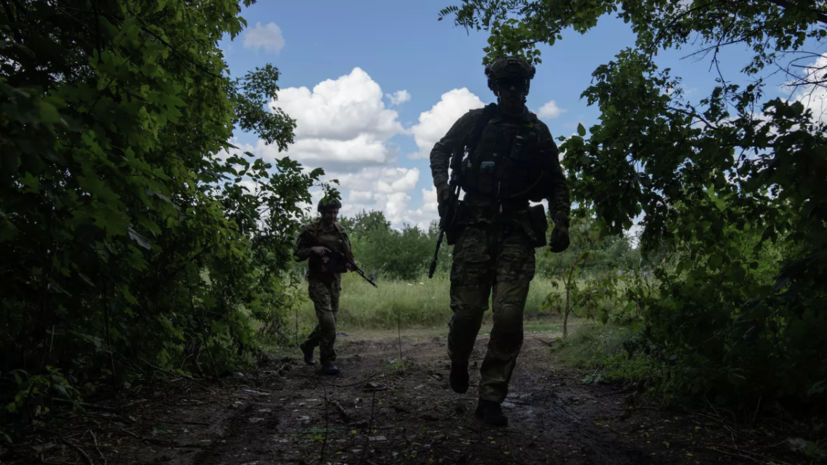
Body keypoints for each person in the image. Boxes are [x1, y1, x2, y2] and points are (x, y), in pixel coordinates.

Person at [429, 56, 571, 426]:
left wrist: (562, 221)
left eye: (518, 83)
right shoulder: (476, 122)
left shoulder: (538, 132)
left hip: (516, 231)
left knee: (508, 317)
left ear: (527, 87)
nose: (512, 90)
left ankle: (491, 397)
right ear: (494, 87)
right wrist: (443, 188)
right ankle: (458, 360)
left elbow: (556, 180)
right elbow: (440, 150)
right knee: (467, 314)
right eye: (505, 84)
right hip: (474, 227)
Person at [293, 196, 355, 375]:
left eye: (335, 212)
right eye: (329, 212)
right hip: (317, 279)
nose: (333, 216)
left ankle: (308, 345)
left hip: (334, 280)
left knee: (331, 321)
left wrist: (350, 263)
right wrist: (312, 250)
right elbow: (297, 254)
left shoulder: (340, 231)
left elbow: (348, 254)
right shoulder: (310, 230)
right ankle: (327, 360)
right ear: (321, 212)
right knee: (328, 321)